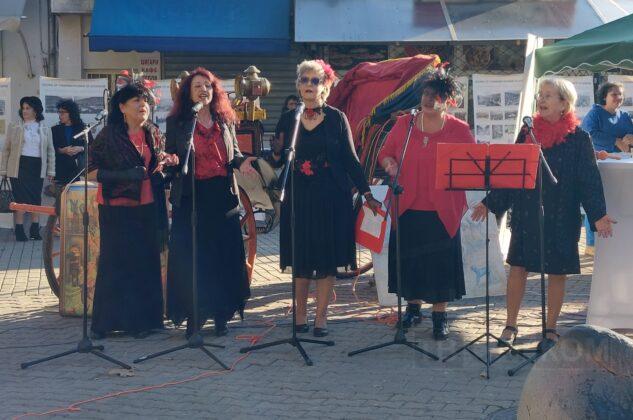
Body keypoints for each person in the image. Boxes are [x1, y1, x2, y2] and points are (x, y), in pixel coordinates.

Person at [472, 78, 616, 349]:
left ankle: (550, 329)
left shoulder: (579, 138)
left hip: (562, 214)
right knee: (518, 267)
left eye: (548, 95)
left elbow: (589, 180)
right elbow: (510, 174)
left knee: (557, 272)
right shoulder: (527, 134)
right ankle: (510, 325)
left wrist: (598, 215)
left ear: (564, 103)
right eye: (541, 94)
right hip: (527, 212)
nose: (541, 99)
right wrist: (490, 202)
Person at [274, 59, 381, 337]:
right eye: (304, 80)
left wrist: (367, 193)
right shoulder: (289, 118)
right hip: (298, 197)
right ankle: (299, 315)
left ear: (326, 86)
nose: (309, 85)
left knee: (325, 259)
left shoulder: (337, 118)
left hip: (331, 197)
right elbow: (277, 158)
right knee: (301, 257)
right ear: (298, 85)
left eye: (315, 80)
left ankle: (321, 317)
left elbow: (351, 160)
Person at [378, 70, 474, 340]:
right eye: (426, 94)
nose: (429, 100)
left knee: (439, 263)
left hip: (442, 208)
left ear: (448, 100)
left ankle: (439, 316)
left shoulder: (459, 129)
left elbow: (471, 165)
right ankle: (413, 309)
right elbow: (385, 153)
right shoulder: (405, 125)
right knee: (411, 261)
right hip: (407, 204)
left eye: (437, 96)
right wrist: (389, 163)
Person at [166, 67, 253, 338]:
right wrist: (170, 161)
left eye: (208, 86)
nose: (204, 90)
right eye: (197, 86)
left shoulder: (224, 119)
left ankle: (221, 314)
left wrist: (243, 162)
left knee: (222, 257)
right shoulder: (179, 122)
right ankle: (195, 315)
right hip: (192, 196)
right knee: (193, 258)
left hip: (222, 196)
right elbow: (172, 156)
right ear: (188, 93)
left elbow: (233, 153)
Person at [89, 81, 177, 339]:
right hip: (116, 208)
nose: (143, 105)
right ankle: (106, 323)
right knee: (115, 263)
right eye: (136, 101)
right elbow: (90, 171)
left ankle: (144, 322)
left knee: (145, 263)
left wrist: (166, 167)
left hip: (148, 206)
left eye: (145, 101)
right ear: (122, 107)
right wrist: (123, 175)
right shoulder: (108, 135)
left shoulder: (154, 133)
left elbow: (160, 164)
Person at [580, 82, 633, 254]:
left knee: (615, 202)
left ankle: (614, 242)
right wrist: (615, 141)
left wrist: (630, 137)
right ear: (604, 96)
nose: (618, 97)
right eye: (614, 94)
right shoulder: (595, 113)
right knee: (596, 202)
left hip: (620, 167)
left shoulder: (624, 115)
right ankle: (591, 244)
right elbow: (588, 134)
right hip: (597, 165)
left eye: (620, 94)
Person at [0, 96, 55, 241]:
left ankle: (34, 230)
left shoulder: (44, 127)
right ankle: (19, 230)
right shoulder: (14, 126)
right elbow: (6, 149)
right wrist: (3, 170)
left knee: (35, 198)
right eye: (23, 108)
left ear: (35, 110)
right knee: (20, 200)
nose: (24, 111)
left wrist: (51, 170)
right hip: (19, 167)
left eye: (28, 108)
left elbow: (50, 151)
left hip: (37, 167)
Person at [51, 99, 89, 188]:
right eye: (59, 112)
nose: (60, 115)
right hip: (60, 170)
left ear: (71, 113)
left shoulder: (83, 129)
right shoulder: (55, 129)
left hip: (78, 171)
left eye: (62, 112)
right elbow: (50, 149)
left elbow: (92, 146)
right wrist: (62, 150)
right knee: (60, 195)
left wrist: (81, 148)